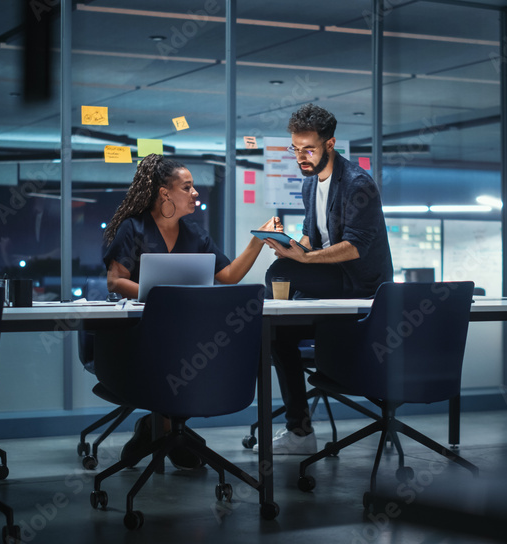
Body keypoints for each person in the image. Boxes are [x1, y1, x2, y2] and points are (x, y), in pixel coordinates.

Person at [102, 153, 277, 469]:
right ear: (165, 193)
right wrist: (159, 297)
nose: (195, 192)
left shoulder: (195, 234)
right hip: (139, 333)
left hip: (182, 335)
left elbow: (229, 277)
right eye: (187, 187)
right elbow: (116, 281)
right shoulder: (134, 228)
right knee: (180, 358)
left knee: (204, 353)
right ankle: (166, 430)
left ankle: (162, 428)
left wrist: (259, 239)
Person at [259, 103, 394, 455]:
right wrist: (292, 247)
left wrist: (302, 259)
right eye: (296, 148)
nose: (301, 156)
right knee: (277, 332)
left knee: (279, 274)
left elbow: (354, 248)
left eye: (309, 149)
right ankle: (301, 432)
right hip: (330, 282)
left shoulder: (357, 184)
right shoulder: (309, 184)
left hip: (359, 286)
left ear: (330, 144)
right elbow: (310, 237)